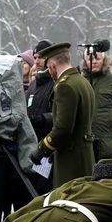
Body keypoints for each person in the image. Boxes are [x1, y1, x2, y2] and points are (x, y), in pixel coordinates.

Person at [31, 42, 96, 187]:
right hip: (84, 154)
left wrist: (42, 148)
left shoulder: (64, 86)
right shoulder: (82, 82)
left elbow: (63, 128)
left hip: (70, 158)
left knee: (68, 201)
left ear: (53, 66)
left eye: (49, 67)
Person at [82, 49, 112, 160]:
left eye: (98, 58)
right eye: (90, 59)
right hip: (86, 144)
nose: (94, 62)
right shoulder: (80, 82)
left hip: (109, 143)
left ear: (104, 60)